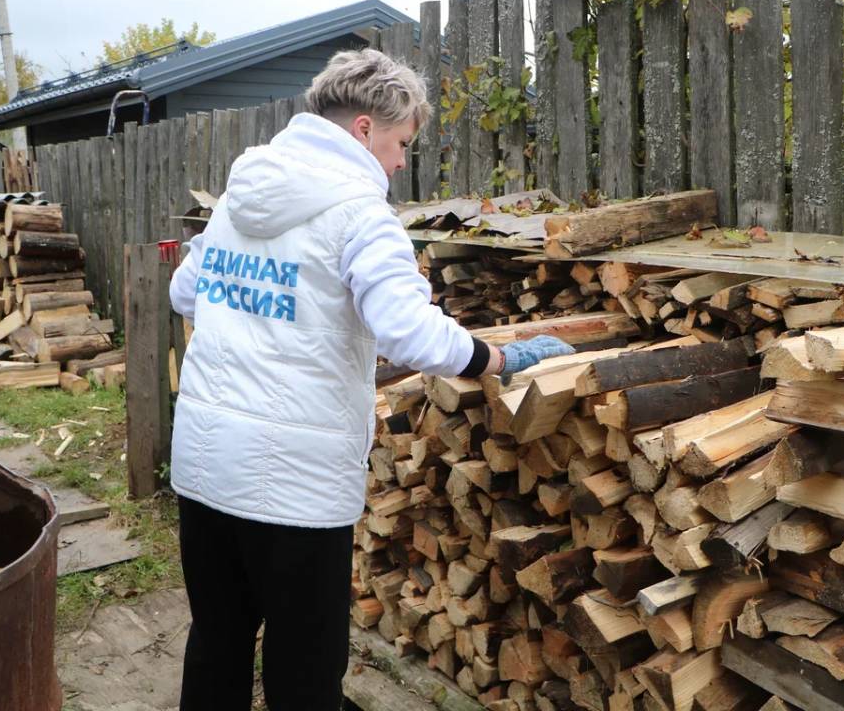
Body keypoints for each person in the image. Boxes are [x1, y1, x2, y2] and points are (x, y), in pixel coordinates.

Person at [166, 47, 573, 710]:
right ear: (363, 129)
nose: (401, 161)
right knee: (305, 667)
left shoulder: (243, 194)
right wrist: (500, 358)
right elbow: (410, 333)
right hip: (296, 490)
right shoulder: (361, 215)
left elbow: (187, 292)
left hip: (205, 468)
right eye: (401, 142)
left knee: (218, 641)